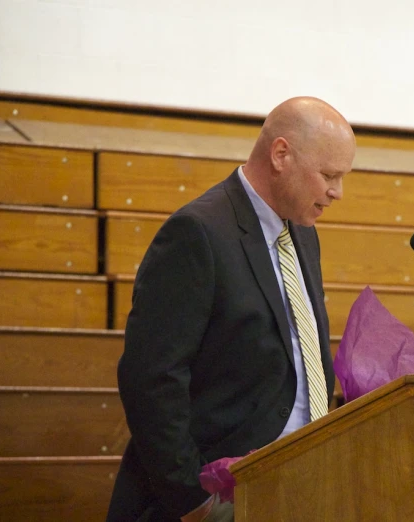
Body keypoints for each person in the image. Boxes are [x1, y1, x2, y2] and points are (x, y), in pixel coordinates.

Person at [106, 97, 357, 522]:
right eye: (329, 175)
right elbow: (151, 380)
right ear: (281, 155)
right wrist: (193, 500)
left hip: (300, 481)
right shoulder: (198, 232)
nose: (337, 192)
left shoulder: (303, 232)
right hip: (216, 496)